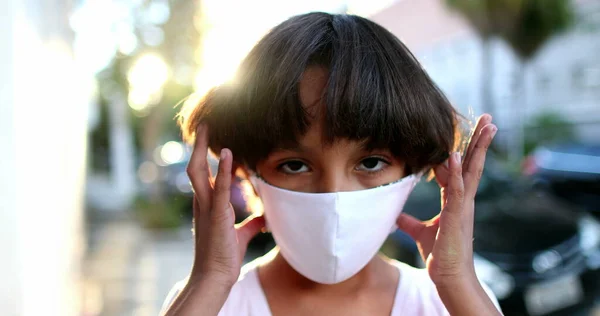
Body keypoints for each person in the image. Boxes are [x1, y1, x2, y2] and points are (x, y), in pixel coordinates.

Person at [161, 12, 501, 316]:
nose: (334, 197)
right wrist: (209, 280)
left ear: (411, 172)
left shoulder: (451, 303)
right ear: (248, 173)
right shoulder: (210, 303)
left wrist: (458, 281)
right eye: (295, 165)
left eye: (370, 162)